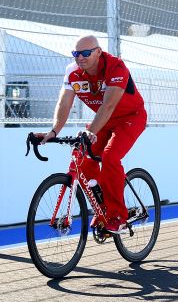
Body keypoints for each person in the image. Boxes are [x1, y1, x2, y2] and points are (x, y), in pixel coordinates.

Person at [38, 35, 147, 234]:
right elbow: (64, 103)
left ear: (98, 52)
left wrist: (90, 132)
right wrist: (54, 130)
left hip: (130, 117)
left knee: (110, 157)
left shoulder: (116, 67)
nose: (80, 57)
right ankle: (103, 207)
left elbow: (108, 105)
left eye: (86, 53)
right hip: (104, 120)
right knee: (84, 161)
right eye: (76, 53)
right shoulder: (72, 72)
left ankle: (117, 216)